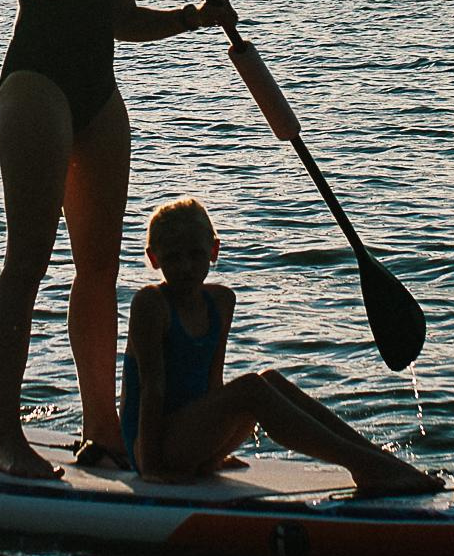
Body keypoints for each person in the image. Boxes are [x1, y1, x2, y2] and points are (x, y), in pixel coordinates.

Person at [0, 0, 231, 479]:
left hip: (98, 92)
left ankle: (102, 431)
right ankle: (7, 438)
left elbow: (118, 19)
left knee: (97, 270)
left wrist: (193, 19)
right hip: (35, 88)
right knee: (27, 261)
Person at [125, 196, 436, 497]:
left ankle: (382, 463)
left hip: (190, 439)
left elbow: (212, 382)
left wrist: (214, 446)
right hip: (151, 445)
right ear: (154, 259)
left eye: (195, 255)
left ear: (213, 251)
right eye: (173, 258)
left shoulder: (221, 301)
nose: (186, 267)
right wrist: (150, 468)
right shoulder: (151, 304)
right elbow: (153, 389)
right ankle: (368, 468)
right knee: (252, 389)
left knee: (270, 380)